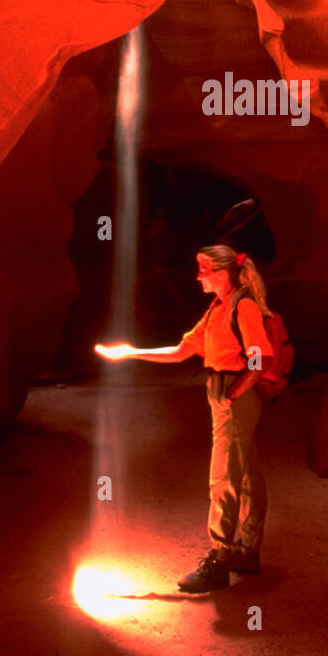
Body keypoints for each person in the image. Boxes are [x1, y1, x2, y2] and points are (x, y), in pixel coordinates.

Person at [95, 245, 273, 593]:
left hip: (234, 394)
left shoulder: (244, 306)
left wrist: (233, 394)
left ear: (225, 272)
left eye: (205, 269)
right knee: (247, 472)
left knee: (223, 477)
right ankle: (247, 552)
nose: (198, 275)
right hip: (227, 392)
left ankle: (221, 558)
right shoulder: (216, 310)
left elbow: (260, 359)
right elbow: (180, 353)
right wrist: (131, 353)